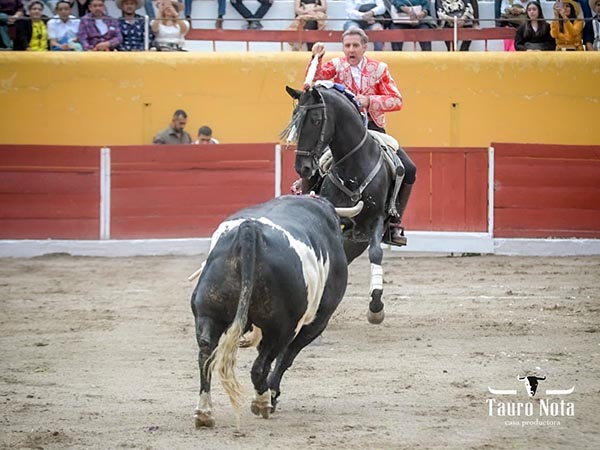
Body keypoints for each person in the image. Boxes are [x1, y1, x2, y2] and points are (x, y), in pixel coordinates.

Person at [309, 28, 416, 246]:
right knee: (313, 162)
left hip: (374, 130)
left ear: (364, 47)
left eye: (355, 45)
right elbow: (314, 82)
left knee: (408, 168)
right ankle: (307, 204)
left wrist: (369, 101)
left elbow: (396, 100)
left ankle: (393, 221)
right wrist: (316, 58)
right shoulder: (336, 66)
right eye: (347, 45)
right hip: (342, 136)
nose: (351, 50)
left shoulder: (379, 69)